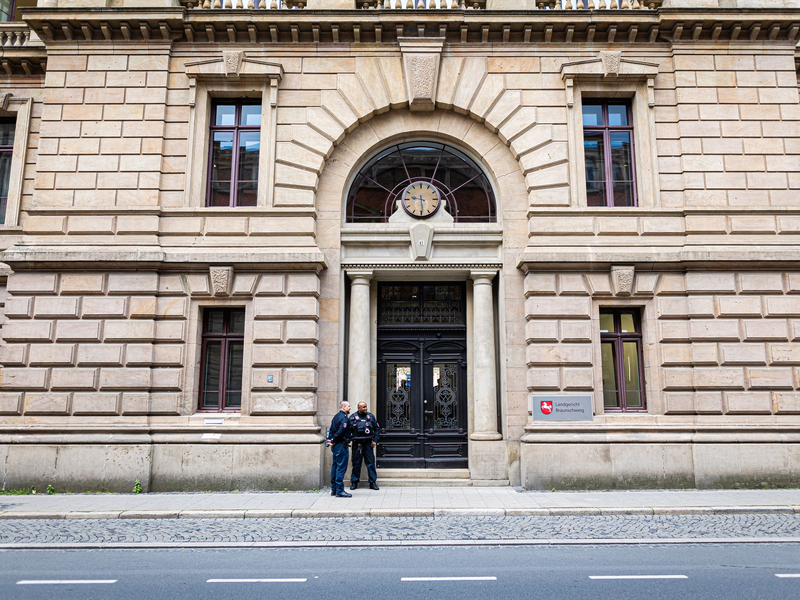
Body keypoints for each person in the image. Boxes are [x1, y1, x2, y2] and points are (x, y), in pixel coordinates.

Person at [348, 401, 381, 491]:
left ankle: (372, 482)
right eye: (363, 407)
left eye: (366, 407)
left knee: (370, 463)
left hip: (368, 443)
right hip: (357, 443)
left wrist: (374, 441)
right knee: (356, 463)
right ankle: (354, 482)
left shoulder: (370, 417)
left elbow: (377, 429)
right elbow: (347, 430)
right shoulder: (353, 417)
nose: (365, 408)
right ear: (358, 408)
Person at [327, 400, 352, 498]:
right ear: (344, 407)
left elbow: (332, 430)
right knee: (341, 467)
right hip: (341, 445)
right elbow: (341, 431)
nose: (350, 408)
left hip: (336, 445)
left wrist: (332, 440)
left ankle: (334, 489)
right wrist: (333, 440)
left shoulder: (336, 416)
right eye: (348, 406)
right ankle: (340, 490)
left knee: (335, 466)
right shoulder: (344, 418)